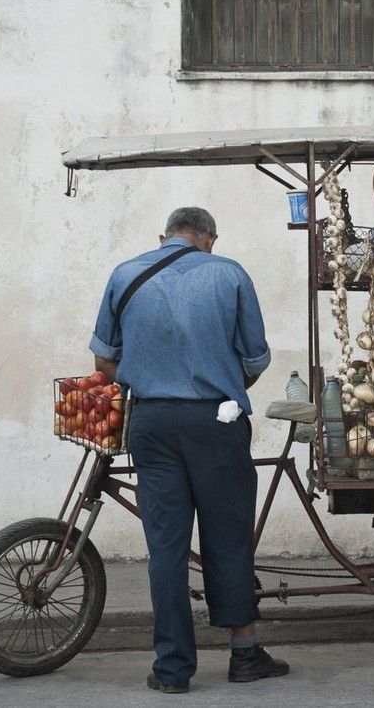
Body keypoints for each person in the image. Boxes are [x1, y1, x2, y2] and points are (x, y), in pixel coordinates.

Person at [89, 207, 289, 694]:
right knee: (228, 537)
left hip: (152, 424)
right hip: (215, 422)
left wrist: (159, 381)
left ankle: (173, 669)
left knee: (166, 550)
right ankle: (244, 655)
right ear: (209, 240)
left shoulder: (125, 273)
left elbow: (103, 361)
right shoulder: (229, 273)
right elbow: (256, 358)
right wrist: (225, 385)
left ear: (163, 237)